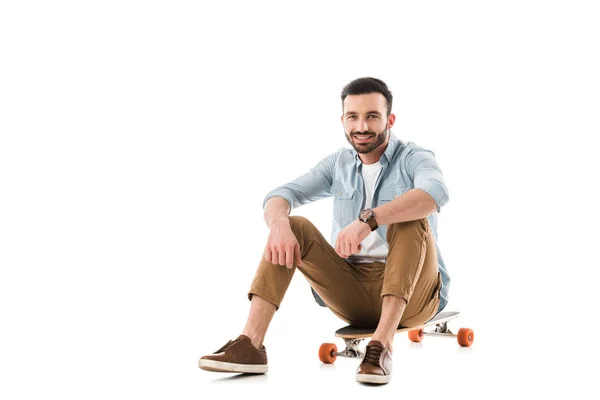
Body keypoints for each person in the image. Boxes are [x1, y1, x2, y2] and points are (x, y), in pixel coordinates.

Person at [198, 77, 451, 385]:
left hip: (415, 297)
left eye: (372, 116)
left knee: (408, 216)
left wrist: (368, 220)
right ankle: (251, 345)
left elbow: (435, 193)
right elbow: (282, 194)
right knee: (293, 225)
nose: (362, 126)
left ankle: (381, 347)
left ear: (390, 120)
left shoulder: (415, 157)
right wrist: (279, 224)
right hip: (352, 291)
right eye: (353, 117)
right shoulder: (338, 164)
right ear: (342, 120)